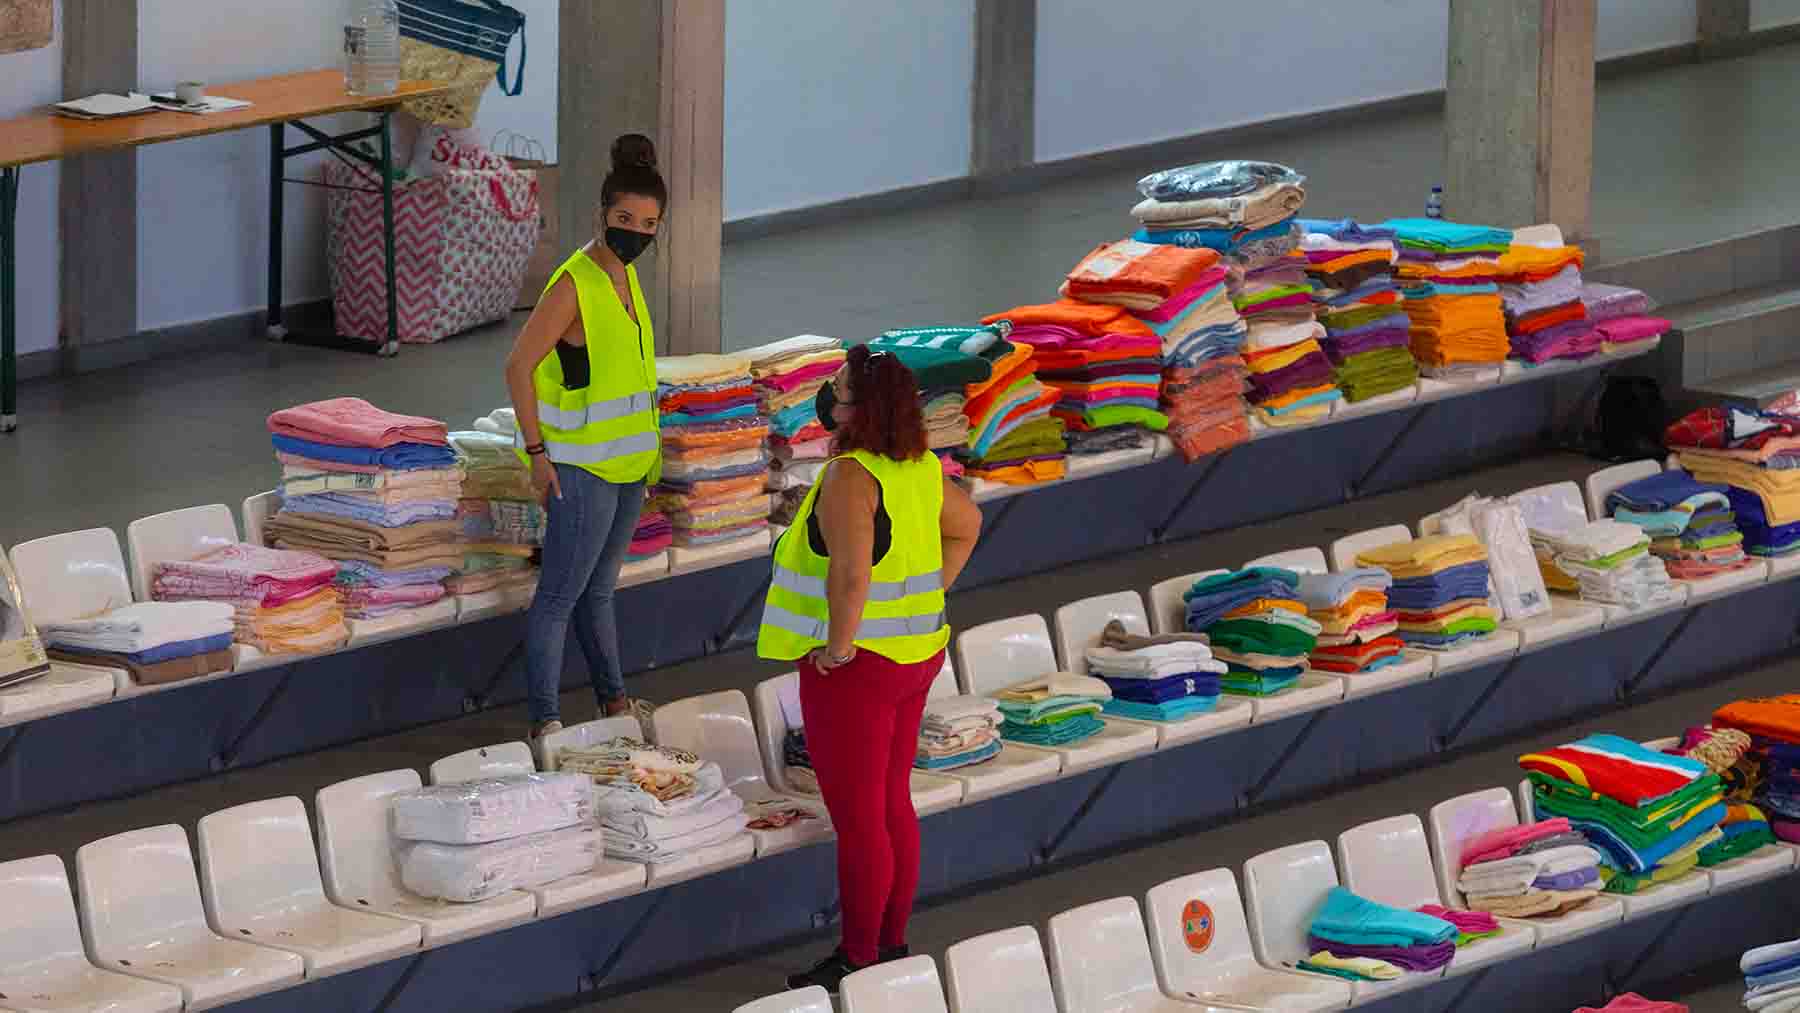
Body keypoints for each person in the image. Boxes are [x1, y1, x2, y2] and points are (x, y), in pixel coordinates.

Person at [756, 345, 983, 993]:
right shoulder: (918, 466)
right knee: (892, 806)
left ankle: (858, 958)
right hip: (917, 655)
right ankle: (892, 943)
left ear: (859, 408)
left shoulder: (851, 477)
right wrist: (930, 593)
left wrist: (837, 646)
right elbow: (968, 527)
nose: (827, 394)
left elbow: (852, 574)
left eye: (836, 386)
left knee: (859, 820)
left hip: (858, 671)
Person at [505, 133, 667, 740]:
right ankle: (546, 721)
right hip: (580, 469)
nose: (636, 231)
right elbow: (518, 365)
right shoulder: (574, 284)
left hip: (627, 469)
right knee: (558, 597)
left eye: (649, 223)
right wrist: (537, 454)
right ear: (601, 214)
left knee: (599, 591)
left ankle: (614, 706)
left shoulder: (626, 277)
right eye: (625, 218)